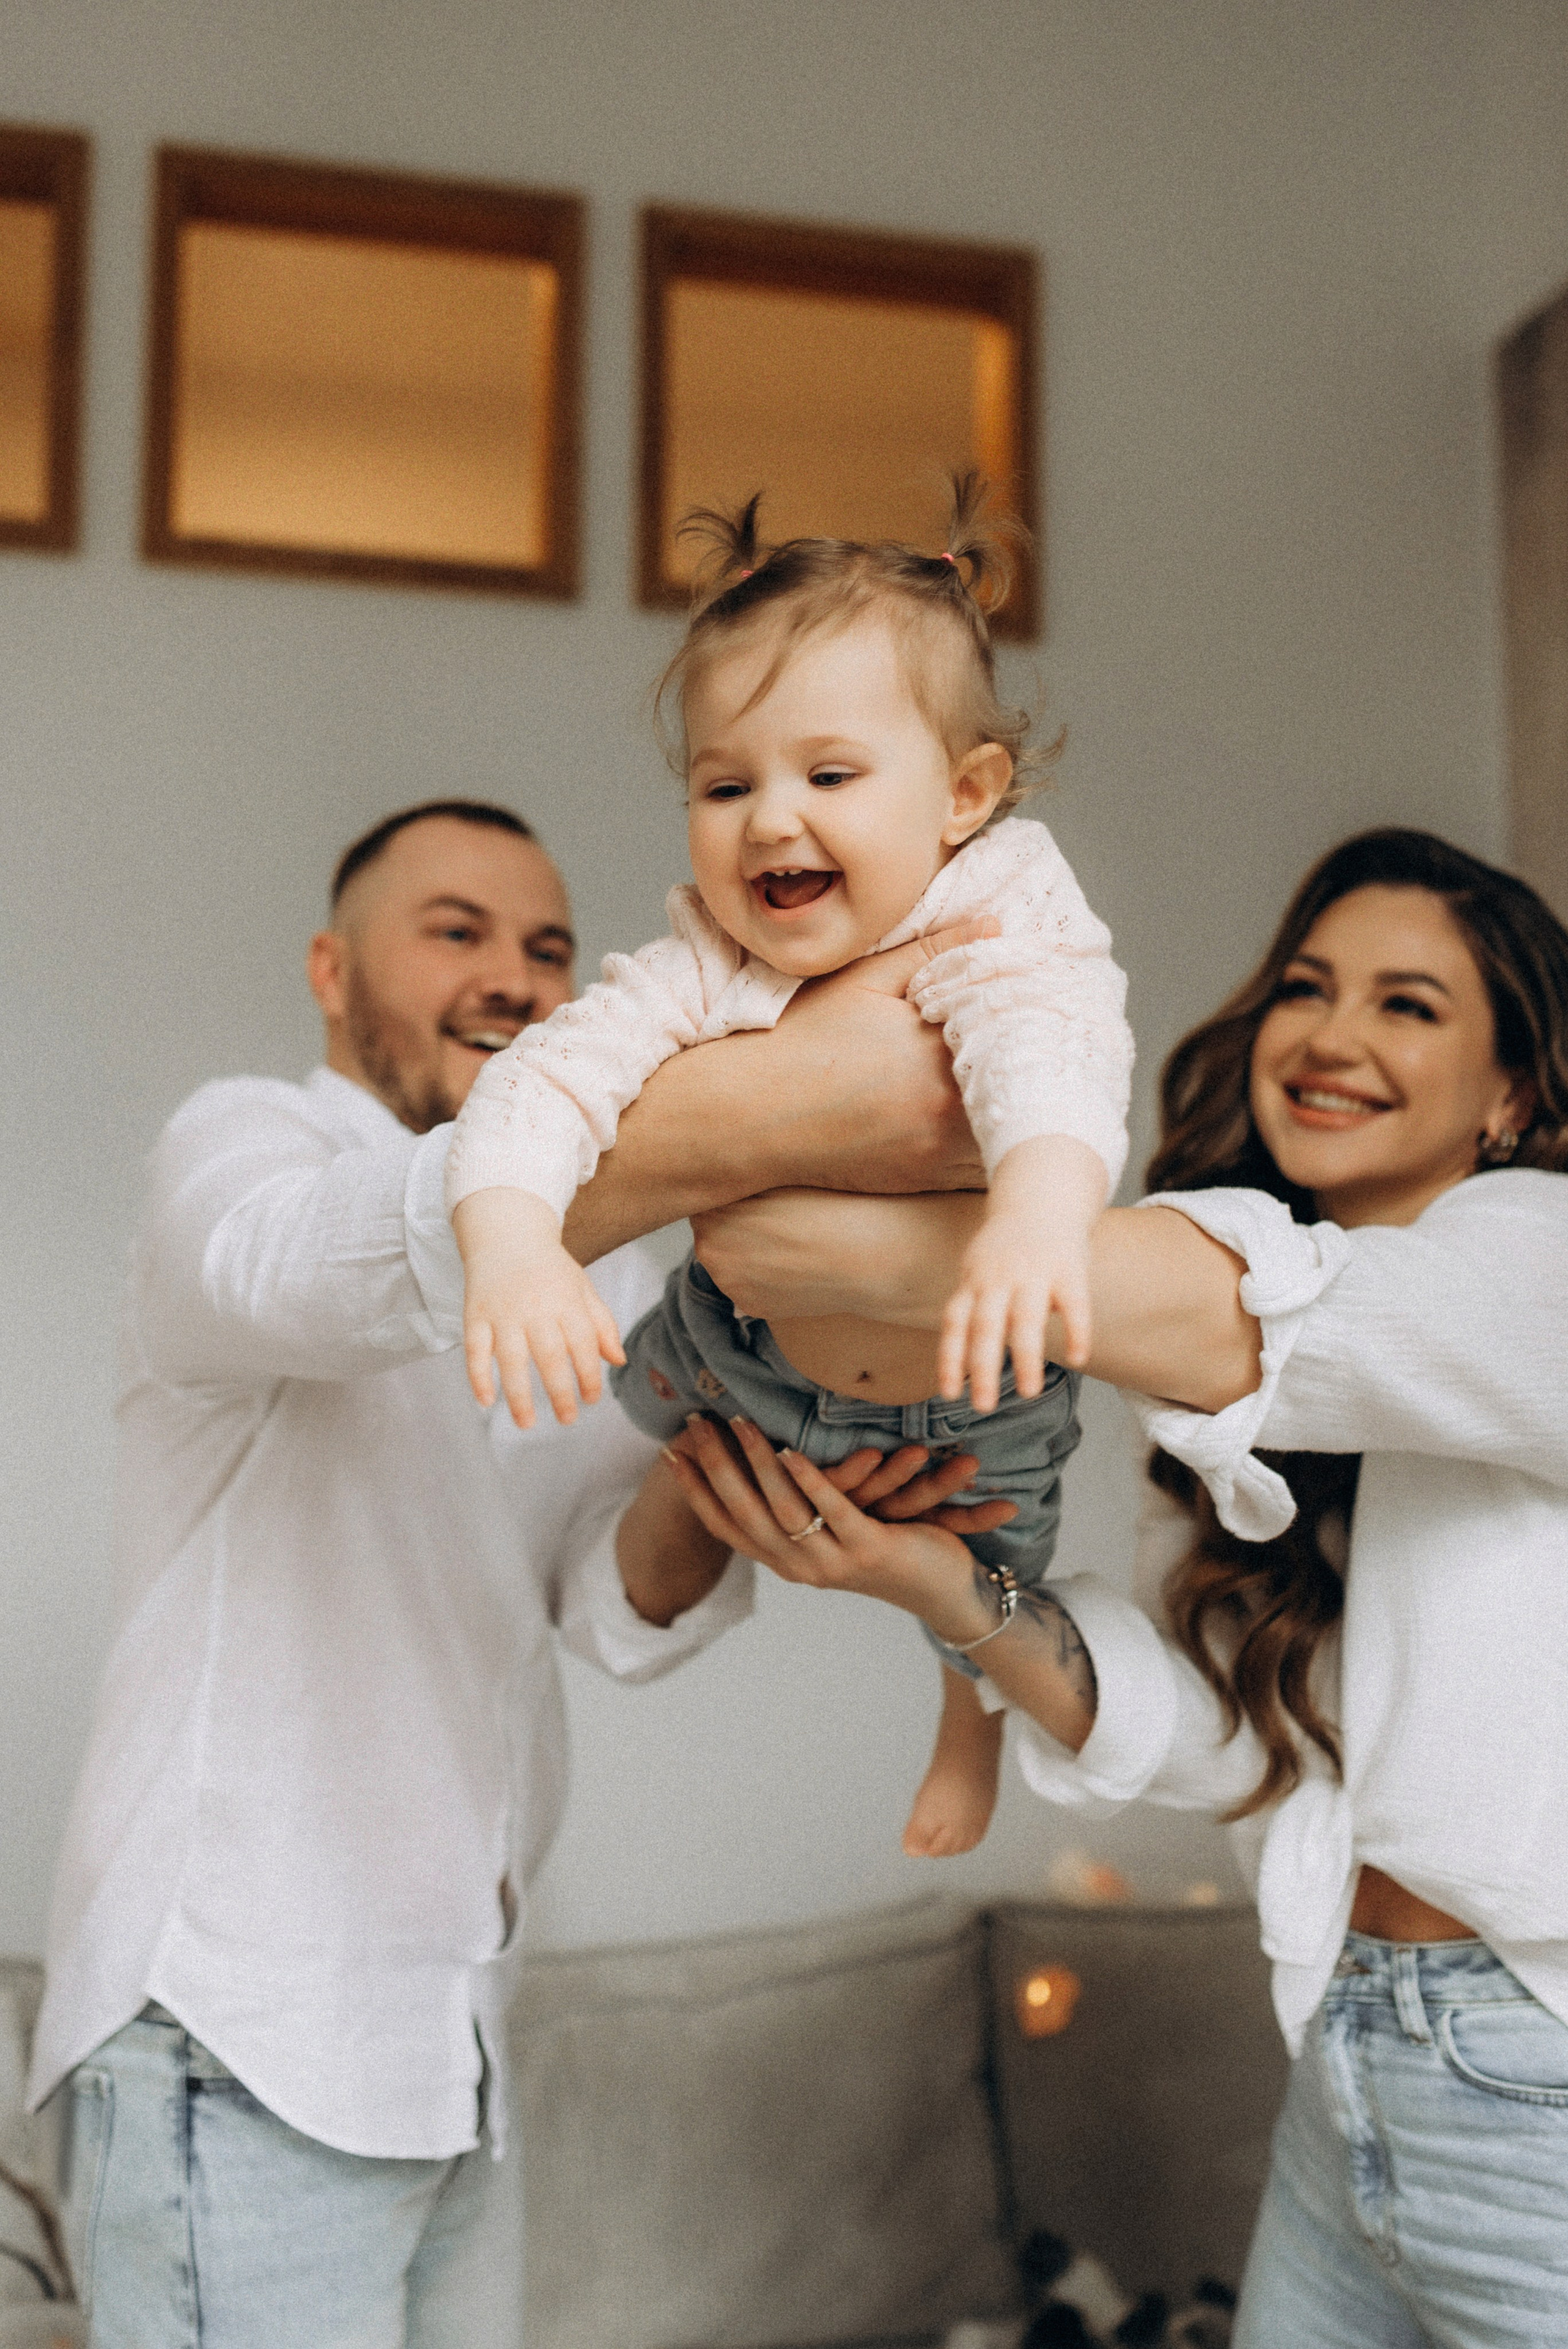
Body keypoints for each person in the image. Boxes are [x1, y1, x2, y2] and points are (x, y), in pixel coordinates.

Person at [28, 797, 994, 2348]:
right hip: (241, 2031)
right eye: (455, 931)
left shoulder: (598, 1267)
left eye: (547, 949)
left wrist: (738, 1462)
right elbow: (317, 1269)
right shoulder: (241, 1147)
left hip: (450, 2039)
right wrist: (752, 1118)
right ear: (331, 972)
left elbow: (598, 1595)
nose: (512, 977)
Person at [667, 828, 1568, 2347]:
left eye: (1407, 1005)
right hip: (1350, 2059)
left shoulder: (1535, 1257)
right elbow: (1226, 1736)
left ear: (1511, 1093)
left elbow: (1287, 1312)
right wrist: (944, 1588)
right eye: (1305, 983)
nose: (1330, 1035)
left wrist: (877, 1236)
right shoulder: (1318, 1399)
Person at [448, 481, 1133, 1858]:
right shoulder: (705, 954)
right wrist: (516, 1244)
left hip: (956, 1412)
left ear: (963, 796)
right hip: (733, 1366)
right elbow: (547, 1077)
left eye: (827, 776)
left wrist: (1037, 1212)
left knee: (1001, 1561)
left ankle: (962, 1733)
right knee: (606, 1412)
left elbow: (1048, 1055)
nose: (768, 821)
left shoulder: (996, 919)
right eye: (724, 782)